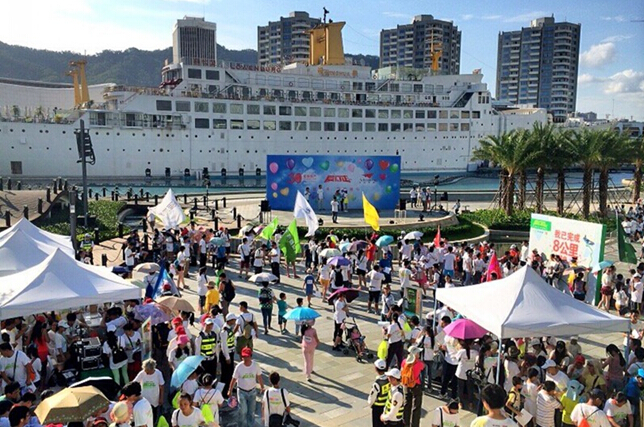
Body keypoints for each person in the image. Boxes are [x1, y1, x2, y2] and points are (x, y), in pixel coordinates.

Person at [229, 347, 264, 427]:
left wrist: (262, 387)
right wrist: (230, 390)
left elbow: (259, 377)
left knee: (251, 411)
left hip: (252, 391)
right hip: (241, 392)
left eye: (247, 356)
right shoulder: (239, 367)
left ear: (250, 356)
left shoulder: (255, 365)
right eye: (244, 357)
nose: (246, 359)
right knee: (243, 411)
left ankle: (250, 425)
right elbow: (234, 379)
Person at [133, 359, 165, 425]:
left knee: (154, 416)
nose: (146, 373)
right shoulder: (142, 373)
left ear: (152, 369)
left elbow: (162, 386)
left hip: (154, 399)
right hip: (144, 400)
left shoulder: (158, 373)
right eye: (145, 371)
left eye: (148, 371)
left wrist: (161, 398)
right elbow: (134, 383)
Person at [401, 346, 424, 427]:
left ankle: (405, 423)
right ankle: (414, 425)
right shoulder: (419, 364)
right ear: (415, 354)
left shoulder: (404, 362)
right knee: (416, 407)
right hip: (416, 385)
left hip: (406, 384)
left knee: (406, 404)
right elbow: (423, 367)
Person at [455, 339, 478, 410]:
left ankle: (460, 403)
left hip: (461, 372)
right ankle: (470, 403)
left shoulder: (461, 352)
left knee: (460, 388)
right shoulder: (476, 352)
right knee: (470, 389)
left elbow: (456, 359)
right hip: (471, 373)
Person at [219, 313, 237, 398]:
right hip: (226, 354)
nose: (235, 321)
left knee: (230, 373)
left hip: (231, 352)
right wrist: (227, 357)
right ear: (230, 320)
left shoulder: (230, 329)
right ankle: (224, 391)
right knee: (225, 374)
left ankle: (230, 388)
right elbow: (224, 345)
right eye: (234, 320)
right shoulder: (224, 331)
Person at [368, 359, 390, 427]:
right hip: (387, 405)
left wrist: (370, 404)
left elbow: (372, 397)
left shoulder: (377, 383)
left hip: (377, 407)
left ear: (376, 369)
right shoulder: (389, 379)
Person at [415, 325, 436, 393]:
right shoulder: (433, 339)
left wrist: (420, 333)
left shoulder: (424, 339)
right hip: (431, 357)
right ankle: (429, 387)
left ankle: (422, 387)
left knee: (422, 373)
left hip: (423, 357)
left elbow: (417, 341)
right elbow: (436, 349)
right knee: (429, 373)